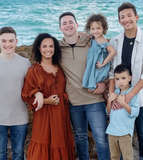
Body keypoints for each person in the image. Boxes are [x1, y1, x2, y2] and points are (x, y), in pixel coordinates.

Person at [59, 12, 110, 160]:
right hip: (74, 103)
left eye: (71, 22)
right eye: (64, 23)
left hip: (94, 100)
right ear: (60, 28)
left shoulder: (92, 42)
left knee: (101, 139)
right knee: (80, 139)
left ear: (77, 25)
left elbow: (108, 63)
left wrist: (105, 85)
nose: (68, 25)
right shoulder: (58, 48)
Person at [109, 2, 143, 160]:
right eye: (122, 17)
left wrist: (129, 96)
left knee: (142, 133)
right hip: (119, 96)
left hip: (140, 97)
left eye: (129, 15)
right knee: (121, 132)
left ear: (136, 17)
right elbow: (111, 71)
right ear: (119, 21)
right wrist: (111, 93)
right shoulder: (115, 41)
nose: (126, 19)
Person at [21, 33, 75, 160]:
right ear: (39, 49)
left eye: (51, 46)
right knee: (42, 145)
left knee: (61, 143)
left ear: (55, 48)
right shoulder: (34, 70)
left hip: (61, 115)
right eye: (44, 46)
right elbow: (26, 95)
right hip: (44, 116)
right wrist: (46, 100)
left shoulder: (60, 68)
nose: (48, 49)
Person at [0, 27, 30, 160]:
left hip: (20, 117)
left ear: (16, 41)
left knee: (19, 154)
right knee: (0, 155)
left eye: (11, 41)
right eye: (4, 41)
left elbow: (32, 89)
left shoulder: (25, 63)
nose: (7, 44)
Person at [106, 64, 140, 160]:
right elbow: (108, 112)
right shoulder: (115, 92)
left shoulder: (133, 93)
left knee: (127, 158)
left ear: (130, 78)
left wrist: (124, 103)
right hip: (112, 132)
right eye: (117, 79)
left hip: (125, 133)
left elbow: (135, 112)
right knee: (114, 157)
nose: (120, 82)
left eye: (123, 78)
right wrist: (109, 101)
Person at [82, 13, 116, 91]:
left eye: (98, 28)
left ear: (103, 29)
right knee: (90, 78)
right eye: (92, 29)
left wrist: (103, 63)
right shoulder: (93, 38)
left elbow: (113, 52)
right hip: (93, 63)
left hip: (99, 65)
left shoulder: (102, 40)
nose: (95, 31)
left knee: (95, 81)